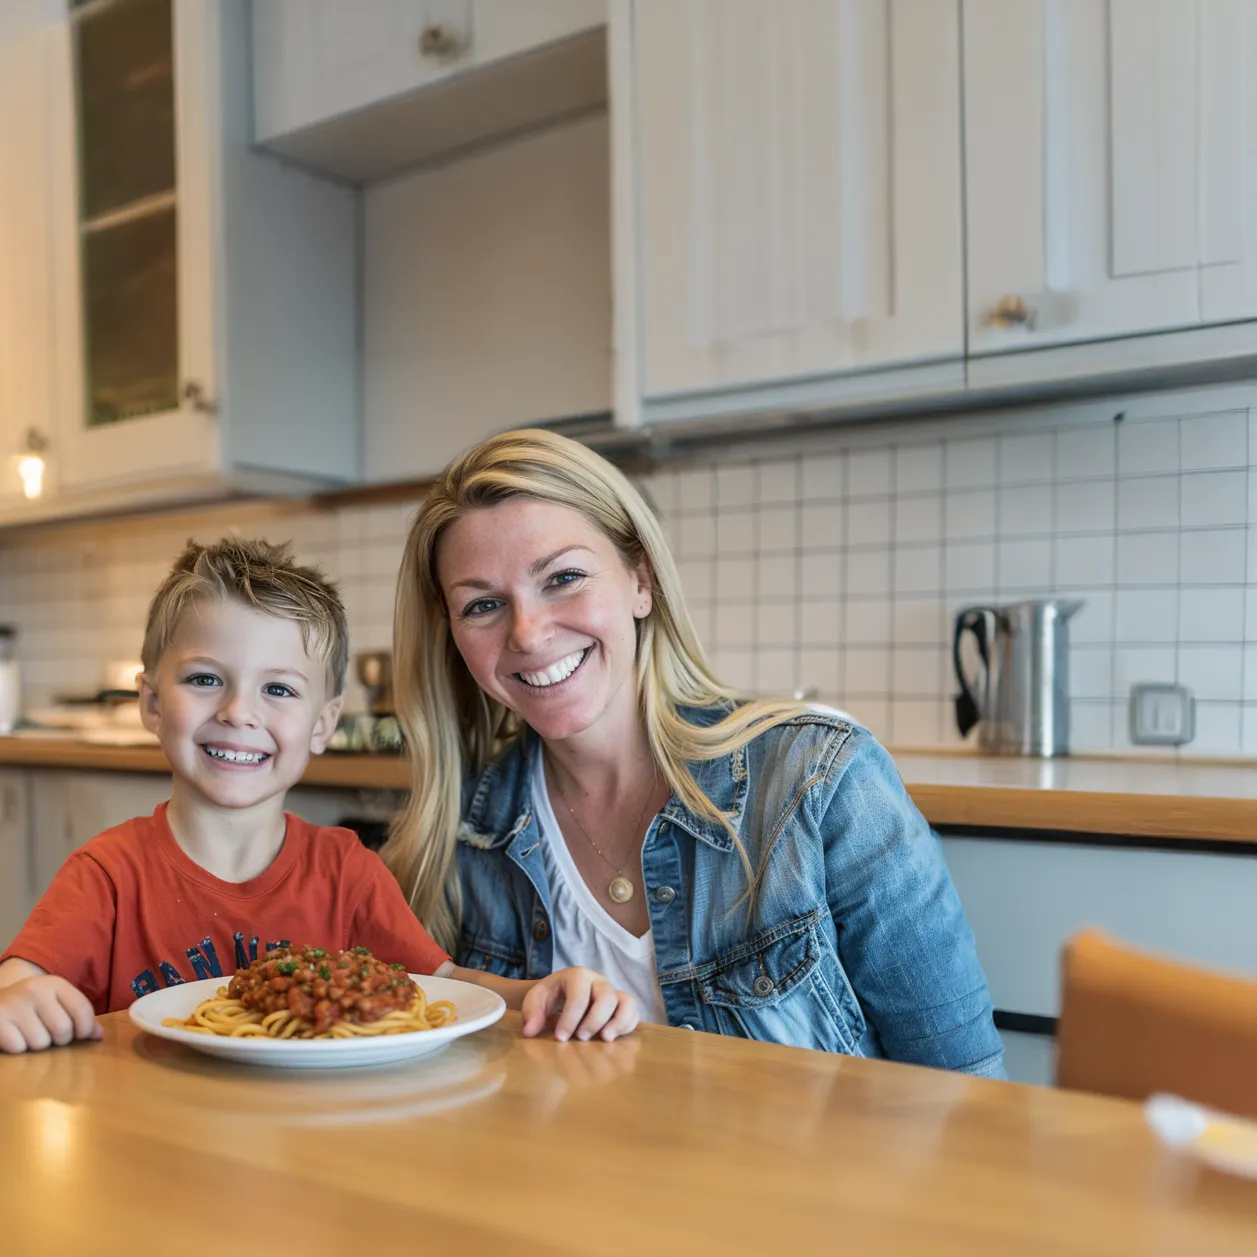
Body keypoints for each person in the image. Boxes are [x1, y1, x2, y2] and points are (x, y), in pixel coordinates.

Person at [382, 429, 1005, 1077]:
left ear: (640, 582)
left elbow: (964, 1087)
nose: (528, 633)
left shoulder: (817, 777)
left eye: (563, 578)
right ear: (451, 635)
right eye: (482, 604)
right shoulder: (460, 835)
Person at [0, 537, 637, 1054]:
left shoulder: (346, 870)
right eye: (204, 679)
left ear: (324, 724)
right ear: (149, 703)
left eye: (278, 690)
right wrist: (17, 997)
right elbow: (19, 984)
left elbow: (443, 986)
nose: (238, 712)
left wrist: (539, 992)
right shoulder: (107, 876)